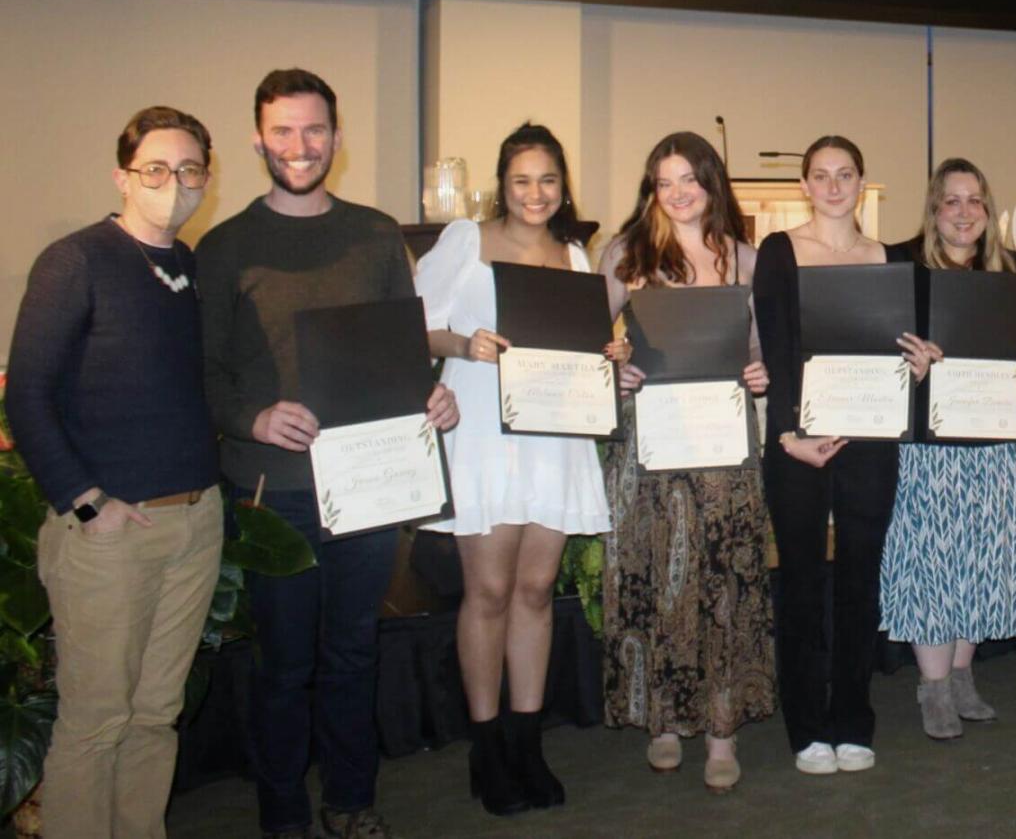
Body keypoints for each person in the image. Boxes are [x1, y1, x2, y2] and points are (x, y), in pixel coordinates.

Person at [198, 69, 459, 839]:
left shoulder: (376, 234)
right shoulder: (224, 246)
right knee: (283, 666)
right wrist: (252, 416)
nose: (299, 146)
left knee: (352, 652)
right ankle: (283, 815)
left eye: (314, 130)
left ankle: (351, 800)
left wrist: (432, 394)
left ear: (336, 140)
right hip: (272, 491)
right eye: (283, 130)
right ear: (258, 139)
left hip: (366, 481)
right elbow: (204, 373)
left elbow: (400, 349)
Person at [5, 107, 223, 838]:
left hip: (194, 522)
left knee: (156, 714)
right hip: (110, 530)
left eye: (190, 171)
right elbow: (28, 394)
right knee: (97, 722)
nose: (174, 184)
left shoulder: (186, 266)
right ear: (123, 175)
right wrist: (88, 502)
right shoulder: (77, 260)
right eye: (156, 169)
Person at [415, 123, 620, 816]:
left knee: (535, 589)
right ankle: (486, 746)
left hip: (552, 434)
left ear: (564, 186)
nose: (536, 192)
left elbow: (583, 342)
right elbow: (415, 323)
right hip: (480, 429)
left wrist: (610, 355)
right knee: (491, 590)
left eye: (549, 179)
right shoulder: (464, 242)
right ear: (503, 185)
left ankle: (527, 739)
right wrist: (461, 342)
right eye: (522, 179)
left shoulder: (572, 251)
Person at [600, 131, 774, 793]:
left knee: (726, 581)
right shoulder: (624, 253)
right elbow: (587, 341)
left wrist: (763, 373)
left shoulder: (748, 259)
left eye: (688, 179)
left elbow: (765, 350)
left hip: (725, 448)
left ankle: (722, 729)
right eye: (663, 181)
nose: (677, 193)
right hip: (650, 448)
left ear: (711, 183)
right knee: (659, 579)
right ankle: (665, 721)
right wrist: (609, 367)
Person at [753, 135, 929, 775]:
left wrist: (915, 367)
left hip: (869, 440)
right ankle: (806, 727)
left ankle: (854, 720)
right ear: (804, 185)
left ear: (862, 182)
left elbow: (898, 350)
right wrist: (786, 433)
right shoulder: (779, 252)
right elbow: (773, 350)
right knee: (801, 584)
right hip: (797, 442)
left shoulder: (888, 258)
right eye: (821, 175)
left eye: (845, 174)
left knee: (860, 582)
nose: (833, 186)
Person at [879, 159, 1016, 741]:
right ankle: (932, 690)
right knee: (933, 559)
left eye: (975, 200)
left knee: (981, 556)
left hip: (996, 442)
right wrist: (910, 357)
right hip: (930, 444)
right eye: (951, 201)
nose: (963, 212)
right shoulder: (903, 264)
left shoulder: (1015, 269)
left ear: (988, 208)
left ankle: (961, 676)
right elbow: (876, 344)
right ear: (934, 208)